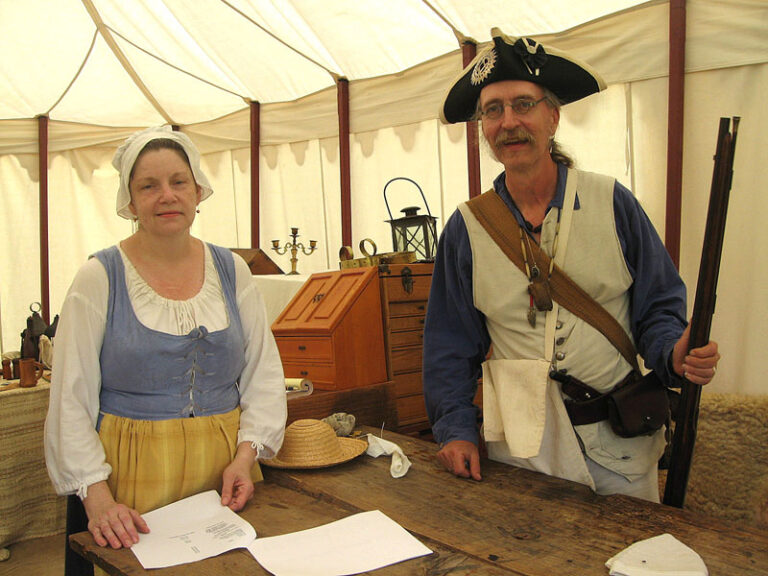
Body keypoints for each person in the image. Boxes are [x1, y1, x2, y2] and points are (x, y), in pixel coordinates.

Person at [423, 29, 720, 502]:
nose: (508, 122)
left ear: (553, 117)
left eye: (523, 104)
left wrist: (672, 354)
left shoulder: (612, 202)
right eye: (493, 110)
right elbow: (449, 343)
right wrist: (455, 427)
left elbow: (659, 308)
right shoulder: (466, 228)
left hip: (618, 447)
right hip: (520, 452)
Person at [44, 126, 287, 559]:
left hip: (224, 467)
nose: (167, 196)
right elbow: (69, 397)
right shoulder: (99, 277)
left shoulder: (232, 270)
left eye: (178, 182)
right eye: (148, 186)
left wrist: (246, 457)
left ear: (197, 191)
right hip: (132, 471)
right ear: (131, 201)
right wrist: (97, 498)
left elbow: (262, 373)